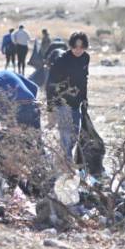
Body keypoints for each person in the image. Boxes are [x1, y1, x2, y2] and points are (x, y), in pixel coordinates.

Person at [46, 31, 90, 163]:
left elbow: (84, 79)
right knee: (65, 131)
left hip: (76, 102)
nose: (78, 50)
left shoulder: (85, 58)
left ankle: (64, 155)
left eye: (81, 47)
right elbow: (50, 85)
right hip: (61, 101)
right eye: (75, 46)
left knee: (75, 133)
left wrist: (85, 98)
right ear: (71, 46)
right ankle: (67, 160)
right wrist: (50, 108)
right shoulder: (62, 60)